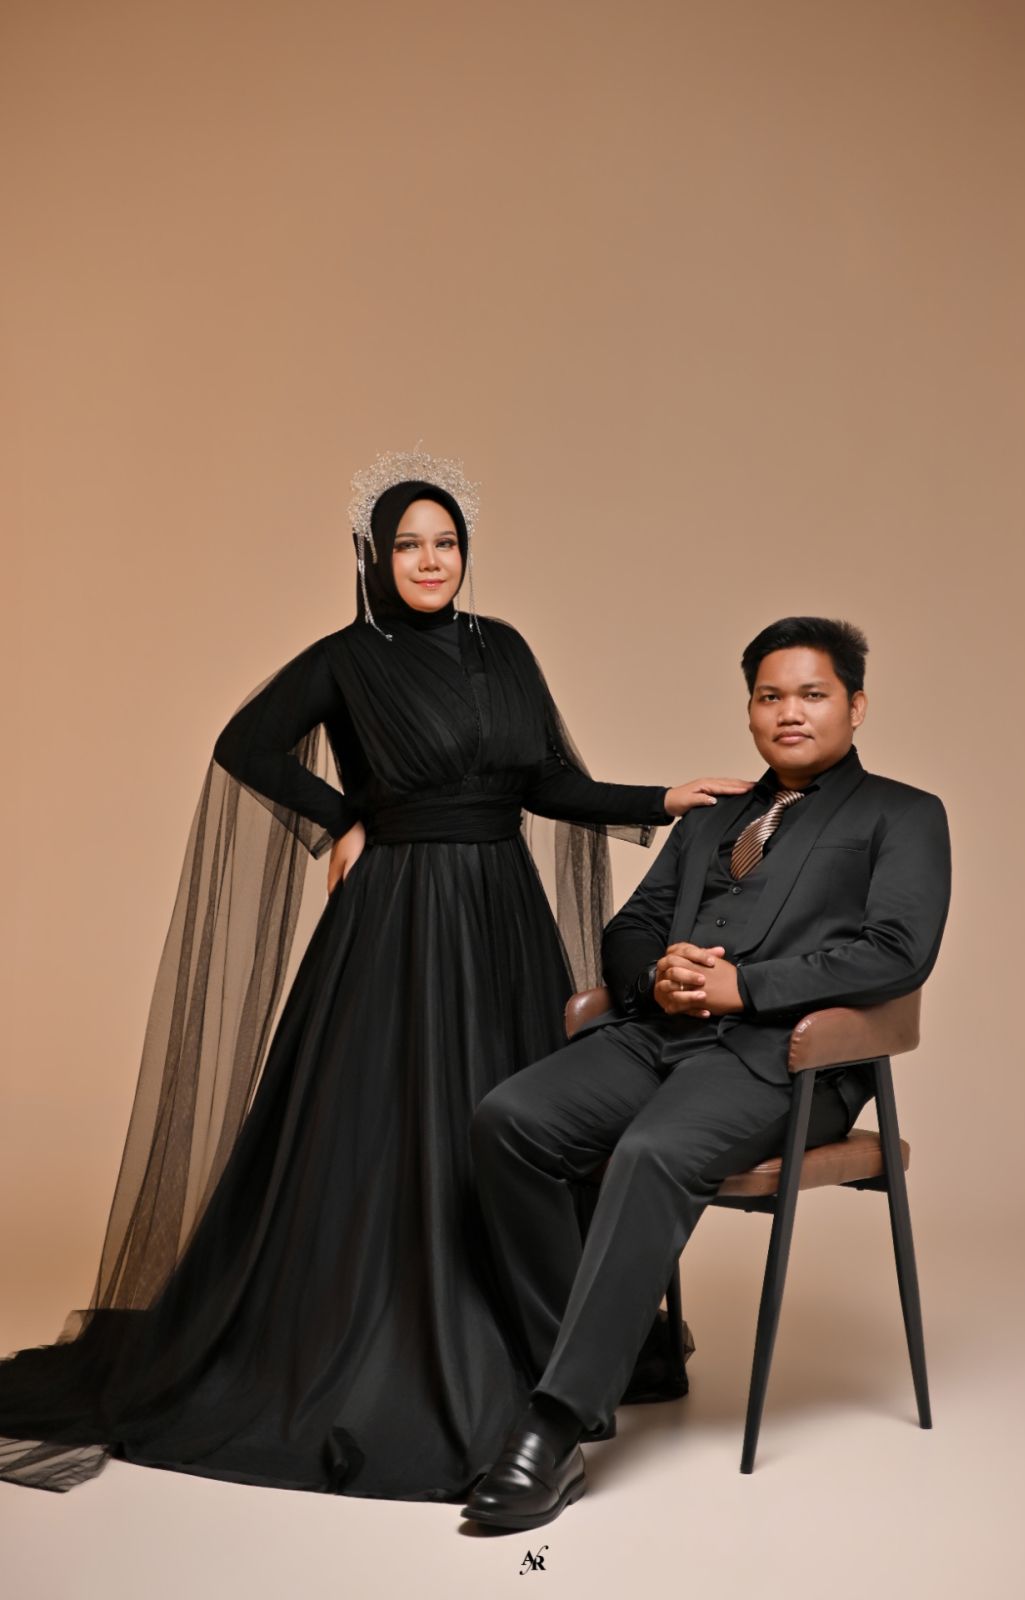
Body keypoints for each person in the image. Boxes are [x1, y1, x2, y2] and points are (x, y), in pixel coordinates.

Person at [0, 449, 750, 1500]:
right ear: (375, 557)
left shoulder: (504, 648)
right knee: (391, 1126)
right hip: (399, 919)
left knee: (515, 1118)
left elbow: (548, 784)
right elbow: (246, 743)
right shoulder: (347, 658)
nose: (431, 560)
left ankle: (549, 1349)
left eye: (446, 543)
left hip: (502, 913)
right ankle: (394, 1340)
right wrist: (340, 819)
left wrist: (661, 798)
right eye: (409, 544)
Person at [465, 615, 952, 1530]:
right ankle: (604, 1359)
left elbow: (897, 952)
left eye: (812, 695)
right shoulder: (713, 817)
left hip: (783, 1061)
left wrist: (745, 987)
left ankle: (553, 1424)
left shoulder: (904, 813)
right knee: (510, 1122)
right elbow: (631, 925)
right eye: (771, 696)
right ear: (751, 709)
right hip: (656, 1036)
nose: (789, 713)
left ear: (855, 706)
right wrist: (658, 975)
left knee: (651, 1152)